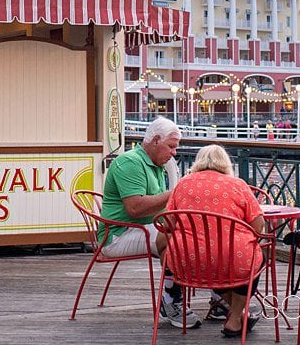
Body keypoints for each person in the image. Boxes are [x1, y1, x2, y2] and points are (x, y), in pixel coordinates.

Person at [99, 116, 202, 329]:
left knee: (196, 235)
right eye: (171, 146)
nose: (174, 152)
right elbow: (135, 209)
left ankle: (215, 297)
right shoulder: (130, 162)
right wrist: (175, 193)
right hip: (118, 235)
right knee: (174, 239)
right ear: (155, 140)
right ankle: (171, 299)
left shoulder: (154, 163)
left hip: (141, 228)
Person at [165, 144, 265, 338]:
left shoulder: (183, 184)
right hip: (230, 260)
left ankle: (239, 312)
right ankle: (236, 318)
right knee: (252, 259)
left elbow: (168, 222)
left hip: (186, 262)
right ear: (226, 163)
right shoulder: (238, 184)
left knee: (214, 260)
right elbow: (258, 226)